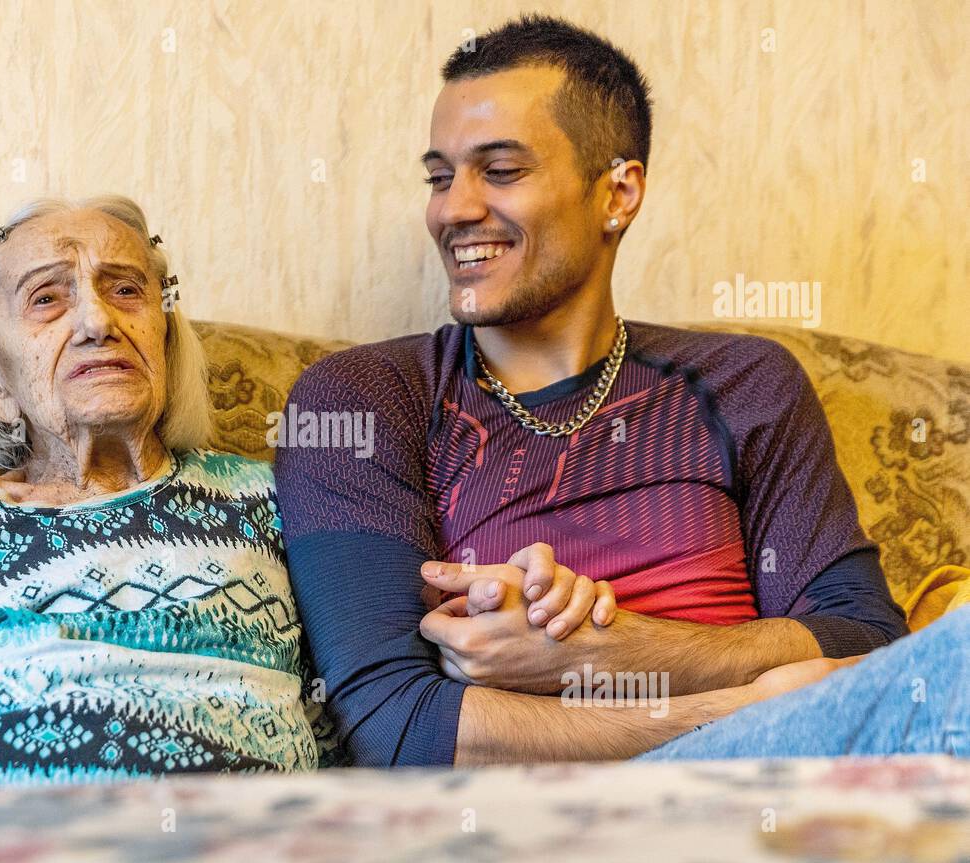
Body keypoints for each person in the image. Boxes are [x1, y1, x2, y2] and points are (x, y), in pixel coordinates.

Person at [274, 14, 909, 767]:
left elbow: (868, 640)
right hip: (547, 816)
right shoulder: (362, 401)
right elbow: (395, 725)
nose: (452, 209)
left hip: (782, 800)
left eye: (500, 171)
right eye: (440, 177)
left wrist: (611, 650)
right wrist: (739, 707)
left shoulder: (746, 384)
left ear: (618, 192)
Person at [0, 195, 322, 798]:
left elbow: (366, 716)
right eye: (47, 298)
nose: (97, 322)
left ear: (167, 342)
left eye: (126, 290)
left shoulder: (269, 500)